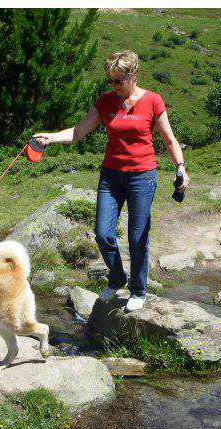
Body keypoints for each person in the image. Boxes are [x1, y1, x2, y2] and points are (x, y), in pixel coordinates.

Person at [33, 50, 189, 311]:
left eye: (119, 81)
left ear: (133, 76)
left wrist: (181, 167)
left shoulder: (153, 100)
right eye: (110, 81)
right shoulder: (106, 101)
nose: (114, 87)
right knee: (103, 234)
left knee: (137, 236)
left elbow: (169, 140)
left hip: (142, 176)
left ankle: (138, 290)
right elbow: (78, 131)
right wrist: (50, 137)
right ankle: (117, 277)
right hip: (111, 175)